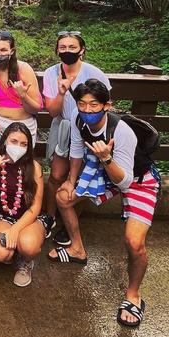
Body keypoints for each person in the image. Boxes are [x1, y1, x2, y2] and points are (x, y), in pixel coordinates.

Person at [49, 79, 161, 327]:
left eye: (94, 105)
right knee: (63, 198)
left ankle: (133, 295)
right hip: (104, 168)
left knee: (135, 242)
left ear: (107, 105)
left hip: (136, 179)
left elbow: (125, 182)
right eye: (82, 104)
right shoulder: (80, 120)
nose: (87, 110)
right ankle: (77, 249)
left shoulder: (121, 132)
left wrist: (107, 158)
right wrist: (70, 180)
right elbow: (76, 150)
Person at [42, 31, 111, 245]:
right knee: (56, 175)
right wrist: (62, 92)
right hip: (63, 126)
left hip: (87, 128)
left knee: (82, 178)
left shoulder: (94, 73)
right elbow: (53, 112)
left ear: (82, 50)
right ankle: (49, 216)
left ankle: (70, 222)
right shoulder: (51, 73)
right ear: (57, 50)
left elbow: (106, 104)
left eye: (72, 47)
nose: (67, 51)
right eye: (62, 47)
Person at [0, 122, 46, 287]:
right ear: (5, 141)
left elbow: (35, 207)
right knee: (1, 255)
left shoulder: (34, 167)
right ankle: (13, 249)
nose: (18, 147)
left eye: (24, 144)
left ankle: (26, 261)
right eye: (14, 141)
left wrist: (15, 230)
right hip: (3, 216)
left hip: (29, 218)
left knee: (28, 246)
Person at [0, 30, 42, 148]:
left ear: (12, 51)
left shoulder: (24, 69)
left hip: (23, 125)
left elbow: (36, 108)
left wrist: (23, 96)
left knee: (22, 163)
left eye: (3, 50)